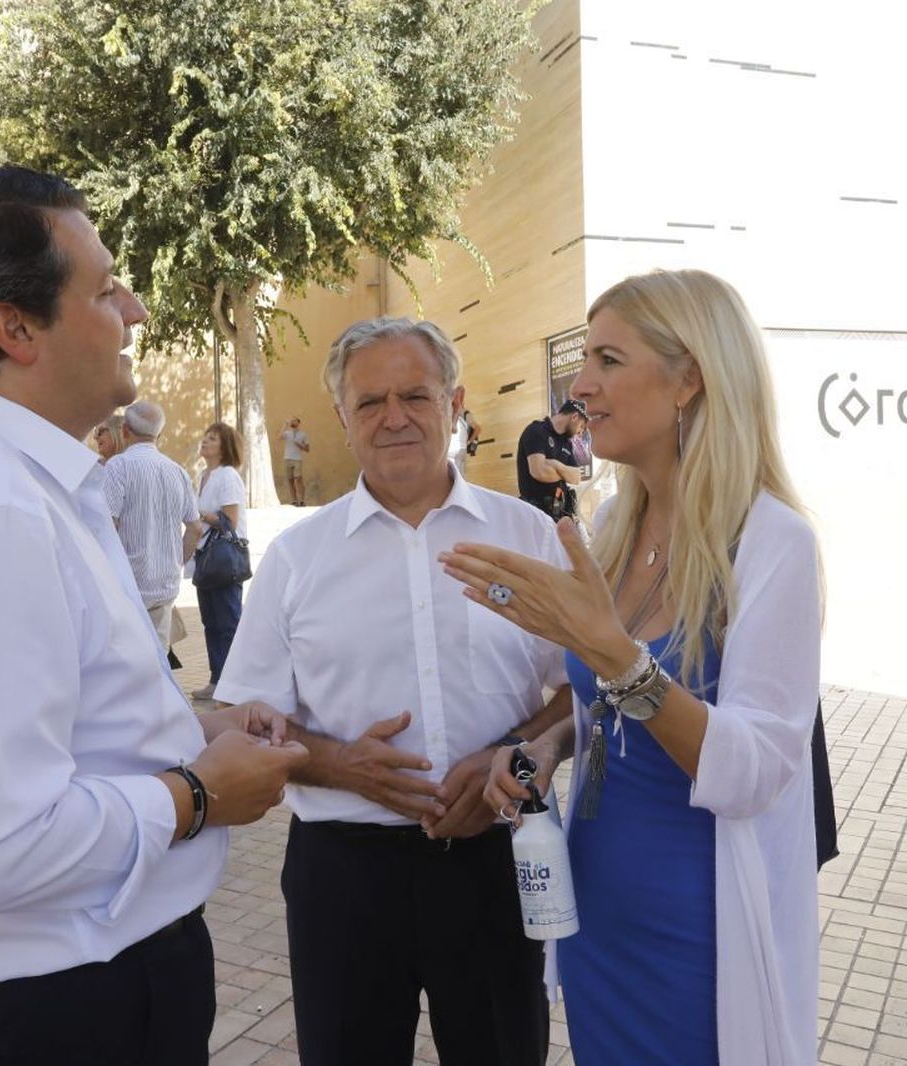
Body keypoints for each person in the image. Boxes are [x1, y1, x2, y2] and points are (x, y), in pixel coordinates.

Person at [0, 164, 306, 1065]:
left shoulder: (10, 479)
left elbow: (47, 724)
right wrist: (202, 794)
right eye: (103, 288)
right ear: (14, 327)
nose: (134, 309)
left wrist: (191, 730)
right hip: (64, 1006)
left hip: (82, 983)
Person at [443, 269, 822, 1066]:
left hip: (698, 930)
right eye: (585, 362)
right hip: (596, 910)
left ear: (689, 377)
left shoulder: (771, 542)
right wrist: (548, 748)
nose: (580, 386)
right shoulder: (614, 524)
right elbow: (607, 712)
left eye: (608, 361)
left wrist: (615, 655)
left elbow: (755, 769)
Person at [215, 317, 572, 1066]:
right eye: (370, 401)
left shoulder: (527, 538)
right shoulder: (297, 558)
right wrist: (337, 762)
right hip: (343, 874)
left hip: (494, 861)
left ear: (456, 402)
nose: (395, 417)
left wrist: (518, 750)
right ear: (342, 419)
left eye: (415, 394)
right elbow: (242, 719)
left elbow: (582, 692)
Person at [104, 400, 200, 658]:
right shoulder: (177, 471)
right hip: (165, 583)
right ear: (160, 434)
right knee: (158, 662)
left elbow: (108, 525)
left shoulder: (118, 467)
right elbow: (195, 528)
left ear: (124, 431)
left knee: (128, 662)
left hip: (128, 582)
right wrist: (176, 560)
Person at [189, 421, 247, 701]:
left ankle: (236, 683)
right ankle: (217, 679)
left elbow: (229, 520)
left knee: (228, 623)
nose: (205, 442)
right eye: (205, 436)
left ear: (224, 447)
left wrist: (197, 512)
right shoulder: (204, 475)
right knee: (211, 622)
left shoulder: (227, 476)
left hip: (223, 558)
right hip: (205, 556)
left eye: (212, 439)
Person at [515, 399, 587, 520]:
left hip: (560, 513)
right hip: (535, 515)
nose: (580, 433)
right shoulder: (536, 431)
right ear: (574, 417)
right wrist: (565, 473)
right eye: (581, 426)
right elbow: (539, 472)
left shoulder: (567, 443)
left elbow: (576, 477)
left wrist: (555, 465)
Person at [279, 416, 310, 505]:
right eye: (292, 421)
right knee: (290, 480)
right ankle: (294, 500)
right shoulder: (287, 433)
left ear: (298, 423)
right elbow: (279, 437)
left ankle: (302, 500)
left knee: (298, 479)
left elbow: (307, 449)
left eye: (295, 421)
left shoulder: (303, 434)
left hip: (297, 459)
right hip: (287, 458)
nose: (293, 422)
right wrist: (285, 425)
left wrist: (300, 445)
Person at [446, 405, 482, 475]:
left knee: (457, 475)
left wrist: (469, 442)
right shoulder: (450, 412)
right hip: (452, 450)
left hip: (459, 449)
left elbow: (478, 429)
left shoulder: (463, 412)